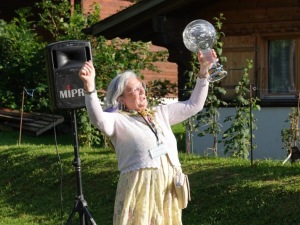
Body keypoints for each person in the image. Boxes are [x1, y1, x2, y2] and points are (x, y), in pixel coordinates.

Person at [79, 50, 216, 225]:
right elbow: (97, 118)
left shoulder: (160, 113)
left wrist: (204, 71)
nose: (142, 90)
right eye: (134, 89)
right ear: (121, 98)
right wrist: (90, 89)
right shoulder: (117, 120)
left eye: (141, 86)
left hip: (168, 187)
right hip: (140, 188)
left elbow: (194, 105)